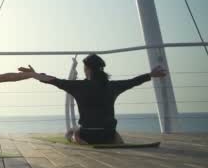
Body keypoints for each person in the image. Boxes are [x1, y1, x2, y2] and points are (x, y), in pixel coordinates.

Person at [20, 54, 168, 144]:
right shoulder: (112, 86)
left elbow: (53, 80)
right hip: (108, 135)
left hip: (88, 136)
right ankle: (115, 140)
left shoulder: (77, 86)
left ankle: (76, 136)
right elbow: (133, 81)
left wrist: (34, 74)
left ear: (88, 70)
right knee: (111, 132)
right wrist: (150, 75)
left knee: (69, 133)